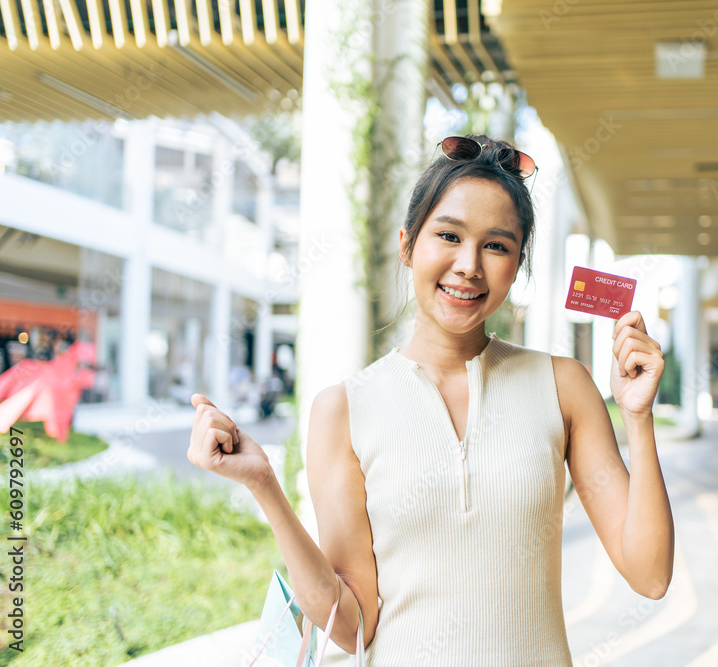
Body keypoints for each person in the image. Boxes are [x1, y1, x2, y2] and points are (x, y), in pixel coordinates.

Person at [187, 134, 675, 665]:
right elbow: (351, 624)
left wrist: (637, 415)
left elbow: (649, 574)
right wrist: (265, 487)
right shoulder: (344, 410)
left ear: (516, 265)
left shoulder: (563, 386)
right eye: (448, 235)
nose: (469, 265)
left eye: (496, 245)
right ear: (406, 245)